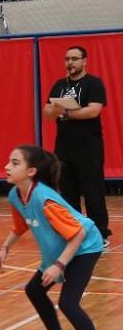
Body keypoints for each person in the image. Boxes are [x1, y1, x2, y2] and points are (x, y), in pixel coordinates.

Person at [0, 145, 115, 330]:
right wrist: (5, 247)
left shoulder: (45, 199)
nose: (7, 166)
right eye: (9, 161)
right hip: (61, 249)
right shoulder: (15, 195)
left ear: (31, 171)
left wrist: (59, 266)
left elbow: (78, 234)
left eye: (15, 163)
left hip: (84, 248)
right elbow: (21, 225)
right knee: (34, 290)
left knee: (68, 303)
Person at [44, 46, 111, 248]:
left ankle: (100, 234)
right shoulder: (59, 85)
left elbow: (93, 111)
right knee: (67, 191)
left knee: (93, 191)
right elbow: (48, 111)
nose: (70, 63)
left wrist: (64, 113)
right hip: (64, 147)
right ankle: (73, 232)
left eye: (74, 59)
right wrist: (56, 110)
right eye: (67, 59)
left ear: (84, 61)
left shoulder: (94, 83)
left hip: (89, 146)